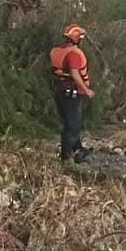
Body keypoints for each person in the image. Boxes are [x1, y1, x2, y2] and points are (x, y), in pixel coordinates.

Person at [50, 23, 94, 162]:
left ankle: (78, 149)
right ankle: (66, 158)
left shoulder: (57, 50)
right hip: (71, 93)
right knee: (72, 126)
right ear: (77, 39)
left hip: (61, 92)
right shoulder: (74, 54)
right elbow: (75, 74)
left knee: (70, 122)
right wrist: (87, 90)